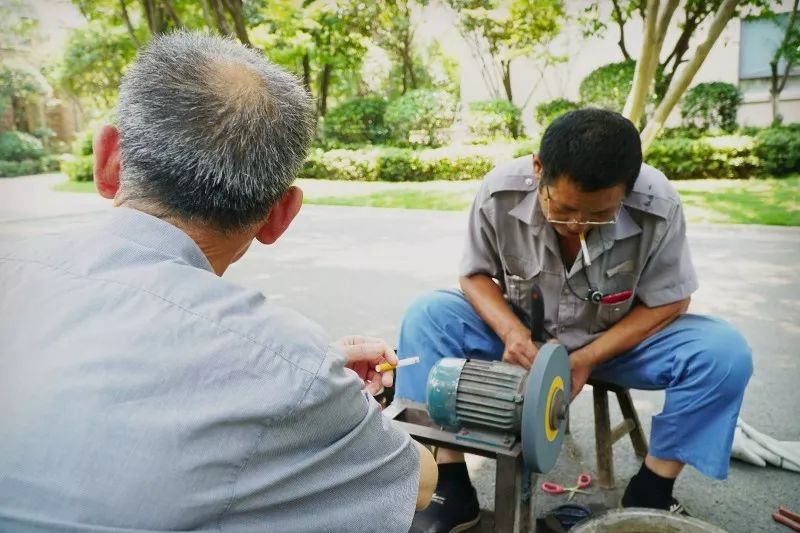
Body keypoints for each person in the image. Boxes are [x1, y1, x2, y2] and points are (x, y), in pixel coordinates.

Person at [0, 31, 436, 532]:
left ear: (108, 160)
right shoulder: (288, 364)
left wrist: (308, 383)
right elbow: (419, 483)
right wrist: (328, 393)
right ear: (280, 216)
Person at [396, 108, 753, 532]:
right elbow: (473, 275)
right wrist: (511, 332)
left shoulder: (658, 204)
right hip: (523, 338)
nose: (577, 226)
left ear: (628, 191)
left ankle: (652, 489)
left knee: (725, 355)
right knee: (427, 316)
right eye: (563, 208)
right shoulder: (499, 192)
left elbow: (671, 301)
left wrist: (587, 357)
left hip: (614, 343)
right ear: (538, 169)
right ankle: (449, 482)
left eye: (599, 215)